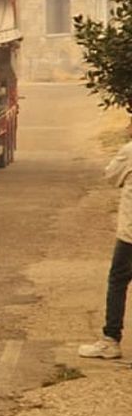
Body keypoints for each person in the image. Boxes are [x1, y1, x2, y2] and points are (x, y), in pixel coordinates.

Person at [79, 119, 132, 359]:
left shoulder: (129, 151)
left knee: (118, 281)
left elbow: (111, 176)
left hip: (130, 235)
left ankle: (111, 339)